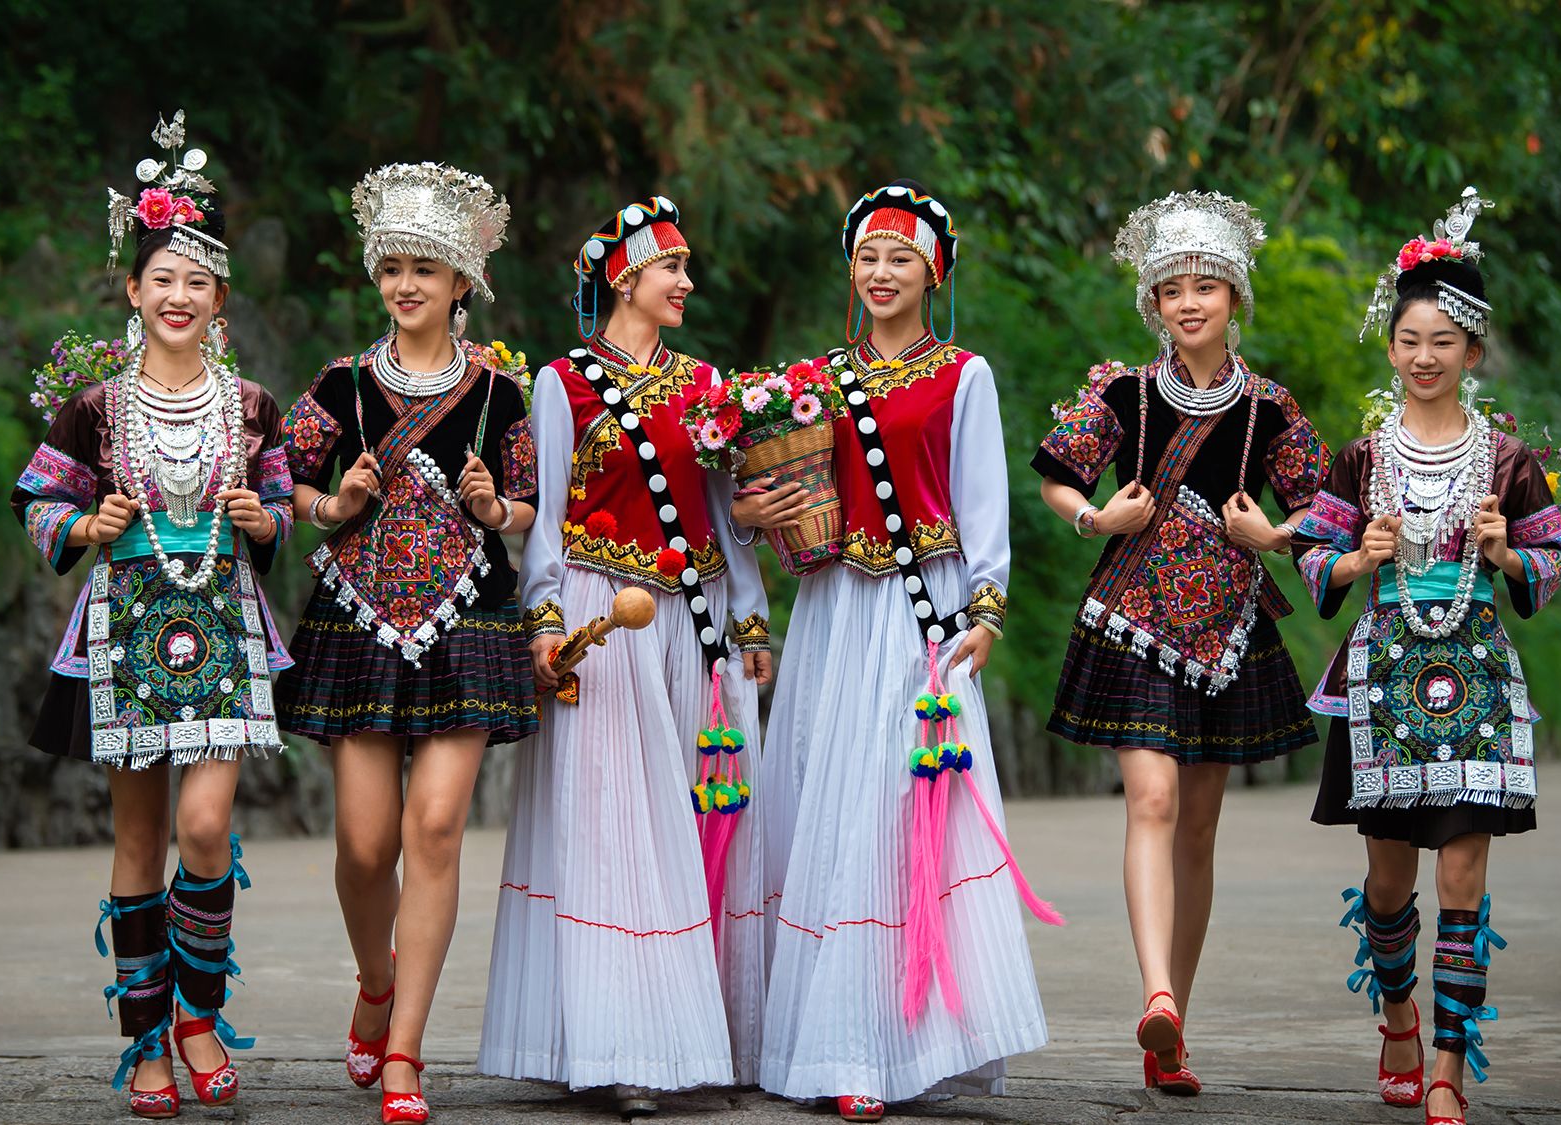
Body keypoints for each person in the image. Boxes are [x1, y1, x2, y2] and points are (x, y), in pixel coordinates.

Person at [741, 182, 1056, 1123]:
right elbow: (766, 498)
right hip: (833, 612)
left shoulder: (964, 374)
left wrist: (987, 612)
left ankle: (907, 1041)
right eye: (868, 259)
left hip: (923, 615)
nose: (881, 274)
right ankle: (836, 1043)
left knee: (901, 814)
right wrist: (754, 514)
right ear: (852, 269)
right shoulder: (806, 383)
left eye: (901, 260)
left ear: (934, 272)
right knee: (827, 816)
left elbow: (983, 502)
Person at [12, 110, 290, 1118]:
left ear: (221, 299)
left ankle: (199, 1013)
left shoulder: (252, 403)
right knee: (137, 844)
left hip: (220, 623)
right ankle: (144, 1044)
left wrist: (265, 518)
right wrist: (87, 524)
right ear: (133, 291)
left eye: (197, 281)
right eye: (160, 278)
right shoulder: (92, 406)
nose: (178, 295)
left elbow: (281, 504)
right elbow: (35, 498)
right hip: (126, 627)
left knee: (206, 829)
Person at [478, 197, 771, 1119]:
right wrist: (545, 621)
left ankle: (708, 1031)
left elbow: (730, 518)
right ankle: (625, 1042)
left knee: (700, 816)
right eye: (672, 269)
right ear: (623, 278)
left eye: (685, 270)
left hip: (699, 619)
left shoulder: (706, 384)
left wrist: (753, 622)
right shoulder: (562, 384)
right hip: (606, 617)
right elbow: (551, 524)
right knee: (616, 831)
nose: (686, 284)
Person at [1031, 191, 1328, 1094]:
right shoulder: (1120, 392)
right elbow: (1053, 472)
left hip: (1229, 634)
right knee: (1152, 801)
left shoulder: (1272, 410)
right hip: (1132, 621)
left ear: (1236, 297)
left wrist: (1272, 540)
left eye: (1207, 285)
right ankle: (1155, 991)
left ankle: (1175, 1031)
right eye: (1171, 289)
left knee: (1198, 825)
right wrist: (1096, 516)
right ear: (1152, 304)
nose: (1189, 301)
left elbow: (1325, 505)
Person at [1294, 188, 1561, 1125]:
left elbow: (1554, 558)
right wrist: (1354, 557)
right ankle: (1400, 1013)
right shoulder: (1358, 458)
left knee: (1464, 873)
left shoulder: (1507, 462)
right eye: (1410, 340)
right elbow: (1314, 560)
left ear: (1473, 352)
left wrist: (1505, 555)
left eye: (1443, 343)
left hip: (1479, 685)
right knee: (1389, 880)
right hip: (1382, 686)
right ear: (1392, 347)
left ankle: (1451, 1065)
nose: (1425, 357)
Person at [274, 162, 535, 1125]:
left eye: (426, 267)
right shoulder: (339, 386)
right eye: (393, 267)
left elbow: (532, 502)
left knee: (432, 830)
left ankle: (405, 1051)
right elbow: (279, 484)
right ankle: (374, 981)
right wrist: (328, 502)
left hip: (468, 622)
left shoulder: (501, 395)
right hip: (358, 622)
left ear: (462, 282)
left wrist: (494, 506)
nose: (406, 284)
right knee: (363, 839)